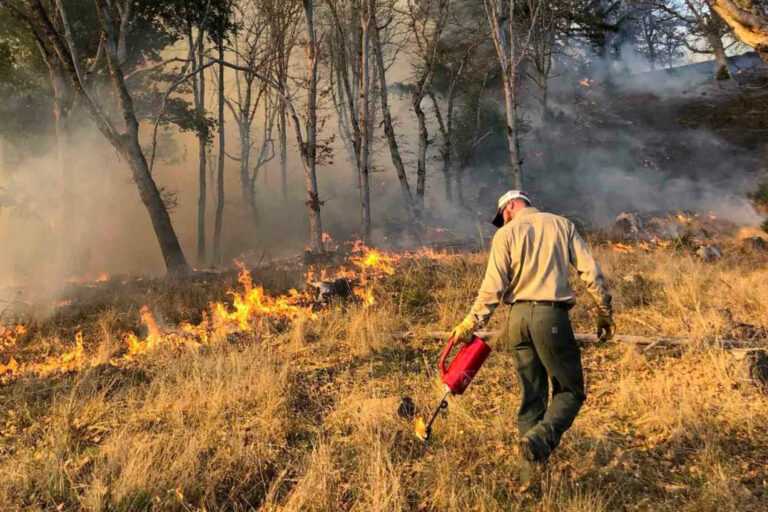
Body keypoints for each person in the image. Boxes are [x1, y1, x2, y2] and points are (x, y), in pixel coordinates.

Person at [450, 190, 614, 475]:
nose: (503, 220)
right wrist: (604, 311)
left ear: (512, 205)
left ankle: (529, 474)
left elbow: (492, 289)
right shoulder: (562, 225)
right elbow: (591, 271)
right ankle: (539, 439)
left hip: (518, 321)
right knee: (570, 392)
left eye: (503, 214)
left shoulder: (505, 235)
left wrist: (470, 323)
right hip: (550, 317)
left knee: (532, 397)